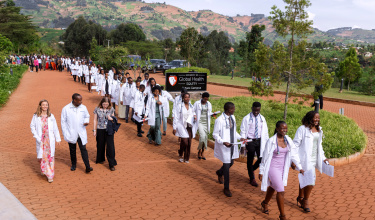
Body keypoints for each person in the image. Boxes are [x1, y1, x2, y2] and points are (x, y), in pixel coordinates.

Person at [259, 121, 304, 220]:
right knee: (281, 190)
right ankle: (282, 216)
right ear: (277, 129)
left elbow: (294, 154)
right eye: (282, 128)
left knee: (273, 186)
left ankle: (265, 203)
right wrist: (261, 171)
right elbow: (265, 157)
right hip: (272, 168)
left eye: (286, 128)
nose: (284, 130)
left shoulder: (288, 140)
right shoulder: (271, 141)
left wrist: (299, 167)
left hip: (283, 168)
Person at [293, 111, 329, 213]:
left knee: (305, 178)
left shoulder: (319, 129)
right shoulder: (302, 129)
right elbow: (295, 144)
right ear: (309, 118)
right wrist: (294, 160)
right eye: (315, 118)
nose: (317, 120)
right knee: (310, 182)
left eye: (318, 118)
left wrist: (323, 157)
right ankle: (306, 201)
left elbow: (320, 146)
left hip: (314, 159)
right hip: (305, 159)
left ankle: (300, 197)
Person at [213, 102, 243, 197]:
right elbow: (215, 134)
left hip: (232, 145)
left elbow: (233, 131)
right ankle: (226, 188)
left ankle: (219, 172)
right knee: (226, 167)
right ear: (228, 110)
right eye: (232, 109)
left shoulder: (232, 118)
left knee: (231, 163)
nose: (234, 110)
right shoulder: (220, 120)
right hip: (224, 146)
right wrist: (223, 142)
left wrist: (240, 137)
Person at [61, 93, 93, 173]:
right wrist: (65, 134)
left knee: (83, 149)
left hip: (81, 132)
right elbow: (63, 122)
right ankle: (73, 165)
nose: (81, 102)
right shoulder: (66, 108)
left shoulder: (83, 107)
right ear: (74, 100)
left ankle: (87, 166)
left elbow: (87, 116)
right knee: (72, 150)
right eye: (79, 100)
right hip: (71, 132)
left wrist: (86, 121)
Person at [30, 100, 61, 183]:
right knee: (42, 156)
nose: (45, 106)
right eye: (43, 105)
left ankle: (50, 175)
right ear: (40, 106)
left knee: (49, 157)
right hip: (41, 140)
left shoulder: (51, 116)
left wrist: (58, 138)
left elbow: (55, 128)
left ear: (48, 106)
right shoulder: (36, 116)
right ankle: (44, 169)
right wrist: (36, 136)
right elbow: (32, 126)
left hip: (49, 139)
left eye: (46, 105)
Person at [240, 101, 269, 187]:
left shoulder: (262, 118)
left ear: (260, 110)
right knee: (250, 158)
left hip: (260, 141)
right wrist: (244, 142)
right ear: (252, 108)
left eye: (258, 110)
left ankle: (251, 169)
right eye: (254, 110)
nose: (256, 112)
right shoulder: (247, 118)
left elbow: (265, 131)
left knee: (261, 157)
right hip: (250, 141)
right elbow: (243, 130)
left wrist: (267, 142)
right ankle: (252, 178)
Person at [93, 97, 117, 171]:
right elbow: (95, 120)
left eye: (106, 104)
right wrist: (94, 130)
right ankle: (100, 159)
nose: (105, 106)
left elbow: (114, 119)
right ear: (101, 103)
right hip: (100, 129)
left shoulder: (111, 109)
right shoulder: (97, 109)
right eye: (104, 104)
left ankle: (111, 163)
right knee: (100, 144)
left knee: (110, 146)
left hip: (109, 130)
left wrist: (111, 118)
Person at [173, 93, 196, 163]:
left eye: (188, 97)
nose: (187, 99)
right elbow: (176, 117)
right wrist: (174, 127)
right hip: (181, 125)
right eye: (185, 97)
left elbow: (193, 113)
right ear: (183, 98)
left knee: (189, 142)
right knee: (185, 141)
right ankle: (181, 152)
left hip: (189, 125)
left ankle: (186, 158)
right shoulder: (179, 106)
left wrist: (195, 116)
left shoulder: (191, 106)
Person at [193, 92, 215, 160]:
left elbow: (209, 112)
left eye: (207, 99)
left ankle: (202, 151)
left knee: (205, 138)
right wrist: (194, 115)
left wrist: (213, 114)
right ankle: (199, 150)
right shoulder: (197, 103)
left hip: (206, 122)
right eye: (204, 99)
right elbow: (193, 110)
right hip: (199, 122)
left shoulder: (209, 104)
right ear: (202, 97)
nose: (206, 100)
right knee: (202, 136)